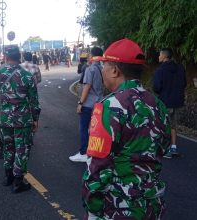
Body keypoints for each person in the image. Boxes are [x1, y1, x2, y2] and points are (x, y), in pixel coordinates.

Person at [82, 38, 171, 219]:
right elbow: (164, 148)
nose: (102, 71)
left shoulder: (108, 107)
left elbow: (97, 167)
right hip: (152, 204)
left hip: (117, 207)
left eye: (104, 66)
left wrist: (92, 205)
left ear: (115, 70)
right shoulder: (158, 104)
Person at [0, 45, 41, 193]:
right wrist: (35, 118)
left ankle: (8, 177)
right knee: (22, 149)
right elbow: (34, 101)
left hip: (4, 119)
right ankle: (18, 181)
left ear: (5, 57)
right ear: (19, 57)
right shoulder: (27, 75)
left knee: (7, 147)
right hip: (23, 120)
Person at [69, 47, 104, 162]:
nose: (88, 56)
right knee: (94, 129)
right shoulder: (102, 68)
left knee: (84, 128)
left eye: (89, 54)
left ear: (93, 56)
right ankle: (94, 152)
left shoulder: (90, 69)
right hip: (99, 102)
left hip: (88, 104)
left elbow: (87, 87)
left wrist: (80, 103)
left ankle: (84, 153)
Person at [153, 48, 187, 158]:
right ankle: (173, 148)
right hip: (177, 102)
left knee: (162, 125)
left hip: (164, 102)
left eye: (159, 55)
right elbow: (184, 83)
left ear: (164, 56)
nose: (158, 57)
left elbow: (157, 88)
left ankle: (165, 149)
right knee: (173, 125)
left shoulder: (160, 70)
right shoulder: (180, 68)